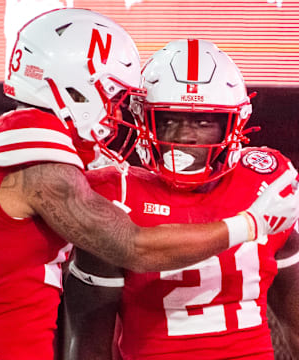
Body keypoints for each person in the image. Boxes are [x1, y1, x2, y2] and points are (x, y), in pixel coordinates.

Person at [0, 9, 298, 358]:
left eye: (203, 122)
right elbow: (132, 247)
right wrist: (251, 223)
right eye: (110, 96)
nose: (114, 112)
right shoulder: (40, 149)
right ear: (73, 86)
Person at [61, 39, 299, 360]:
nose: (182, 135)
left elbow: (294, 316)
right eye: (167, 119)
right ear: (143, 119)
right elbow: (89, 344)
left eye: (203, 122)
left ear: (233, 123)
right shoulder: (117, 194)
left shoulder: (264, 181)